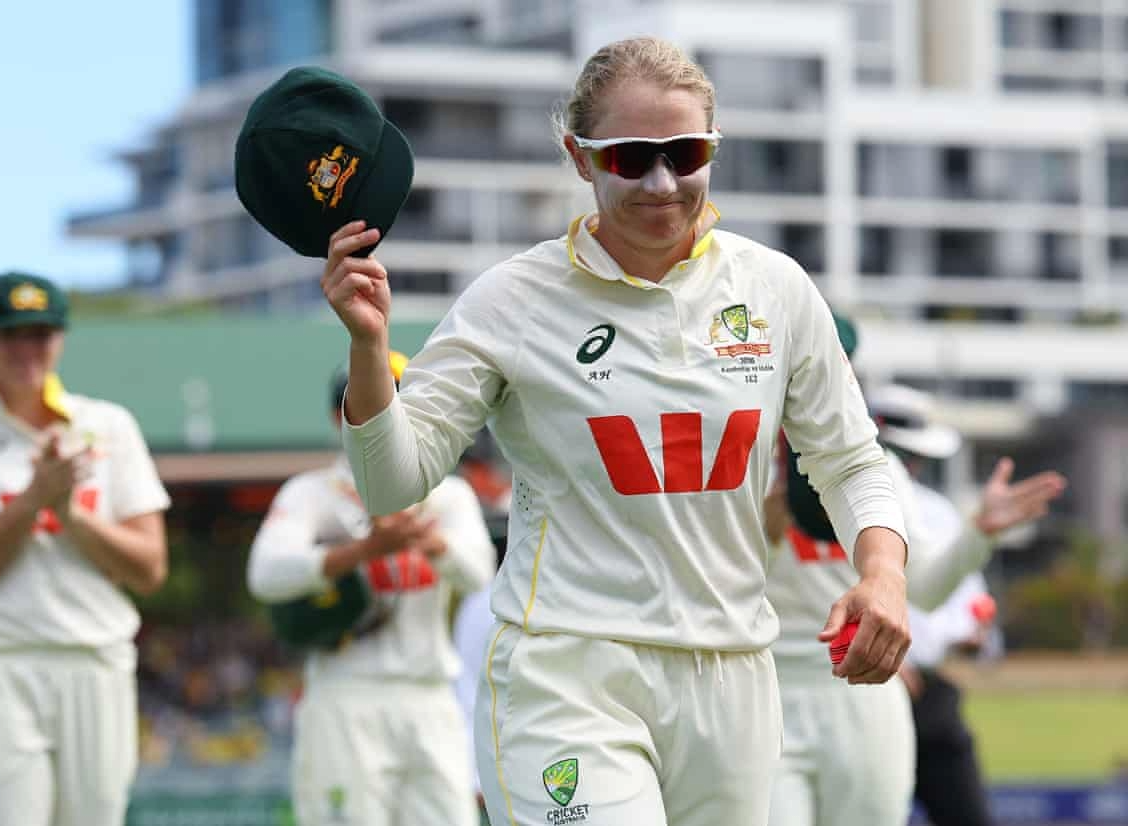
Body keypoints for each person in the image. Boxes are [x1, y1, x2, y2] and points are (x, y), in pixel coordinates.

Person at [320, 36, 912, 826]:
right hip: (566, 671)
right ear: (579, 156)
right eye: (631, 158)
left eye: (687, 152)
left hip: (732, 675)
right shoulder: (511, 300)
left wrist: (884, 576)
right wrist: (366, 345)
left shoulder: (775, 288)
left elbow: (849, 462)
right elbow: (391, 482)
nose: (664, 182)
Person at [0, 272, 171, 826]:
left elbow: (148, 569)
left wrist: (69, 514)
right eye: (10, 334)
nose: (28, 349)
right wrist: (31, 503)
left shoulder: (109, 426)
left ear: (61, 340)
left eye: (42, 333)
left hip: (97, 664)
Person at [765, 351, 1065, 825]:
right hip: (767, 691)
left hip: (863, 692)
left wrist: (978, 534)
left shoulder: (874, 467)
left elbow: (920, 586)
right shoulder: (741, 457)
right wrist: (763, 530)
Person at [245, 352, 496, 826]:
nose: (375, 411)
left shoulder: (446, 495)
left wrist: (428, 540)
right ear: (337, 416)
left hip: (428, 693)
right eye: (356, 402)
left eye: (390, 398)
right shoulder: (313, 493)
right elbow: (265, 574)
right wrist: (363, 550)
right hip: (346, 693)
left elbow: (478, 574)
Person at [870, 385, 1064, 826]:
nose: (908, 467)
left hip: (931, 695)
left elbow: (954, 605)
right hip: (861, 688)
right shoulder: (830, 501)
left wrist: (974, 639)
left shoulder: (938, 512)